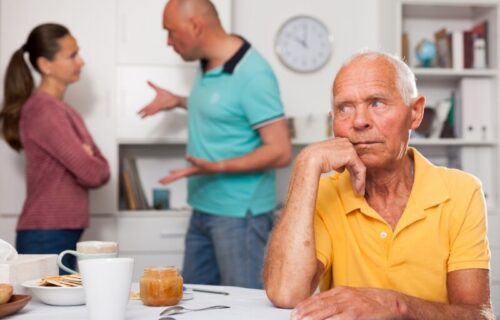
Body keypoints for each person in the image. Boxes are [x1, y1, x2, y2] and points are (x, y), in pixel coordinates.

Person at [263, 51, 493, 319]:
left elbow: (478, 315)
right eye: (344, 108)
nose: (359, 121)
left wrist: (397, 306)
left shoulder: (462, 192)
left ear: (415, 113)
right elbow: (285, 293)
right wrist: (306, 165)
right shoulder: (326, 193)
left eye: (377, 103)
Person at [138, 0, 291, 288]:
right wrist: (179, 101)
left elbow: (281, 151)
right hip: (202, 207)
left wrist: (217, 166)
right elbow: (224, 109)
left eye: (170, 32)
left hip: (239, 217)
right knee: (194, 302)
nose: (168, 41)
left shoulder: (253, 74)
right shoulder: (208, 62)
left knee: (243, 308)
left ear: (196, 26)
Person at [0, 23, 110, 273]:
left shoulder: (61, 110)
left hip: (55, 232)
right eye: (72, 55)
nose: (81, 61)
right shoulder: (44, 110)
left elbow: (102, 169)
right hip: (46, 234)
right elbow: (94, 173)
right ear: (45, 65)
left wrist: (89, 157)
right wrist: (87, 156)